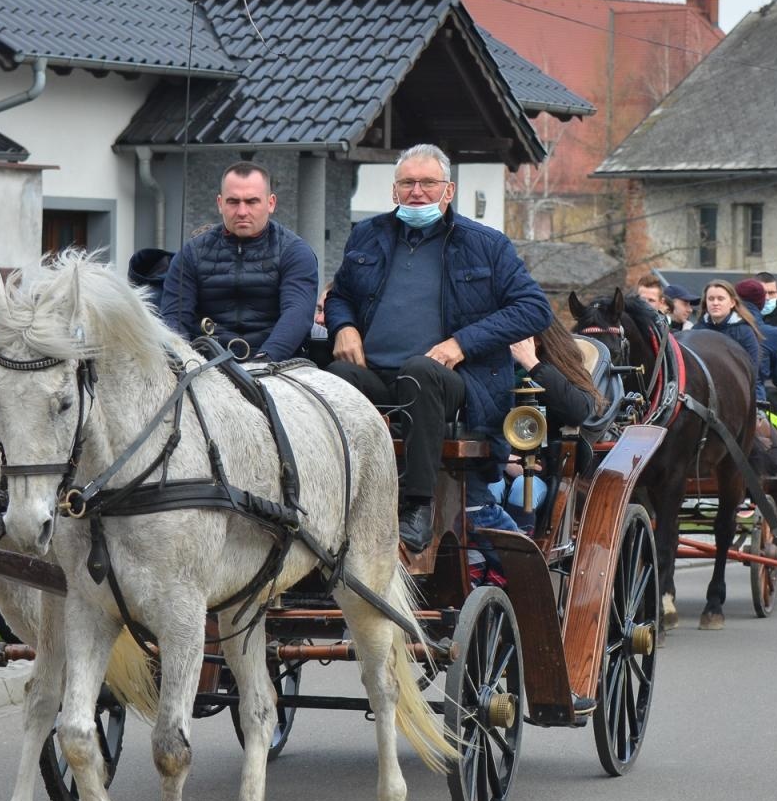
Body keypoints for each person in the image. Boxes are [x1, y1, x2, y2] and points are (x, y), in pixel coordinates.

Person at [325, 144, 551, 551]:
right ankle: (334, 496)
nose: (417, 191)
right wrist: (343, 327)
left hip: (453, 385)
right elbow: (340, 294)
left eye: (428, 183)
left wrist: (461, 344)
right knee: (335, 378)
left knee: (420, 371)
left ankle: (418, 506)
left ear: (448, 191)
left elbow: (534, 310)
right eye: (407, 183)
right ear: (394, 191)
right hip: (377, 376)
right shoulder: (367, 236)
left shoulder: (486, 244)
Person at [160, 163, 319, 361]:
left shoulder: (295, 252)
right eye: (233, 202)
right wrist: (182, 361)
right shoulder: (191, 254)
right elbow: (174, 319)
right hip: (204, 364)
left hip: (278, 366)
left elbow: (297, 315)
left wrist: (264, 360)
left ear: (271, 203)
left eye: (252, 201)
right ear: (220, 203)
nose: (242, 211)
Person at [498, 319, 606, 532]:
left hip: (542, 470)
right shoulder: (494, 370)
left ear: (536, 340)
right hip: (491, 462)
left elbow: (578, 410)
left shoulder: (557, 369)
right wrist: (500, 458)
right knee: (487, 487)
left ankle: (519, 557)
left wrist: (532, 363)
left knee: (522, 489)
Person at [695, 280, 763, 403]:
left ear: (732, 302)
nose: (715, 303)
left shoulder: (744, 332)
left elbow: (752, 369)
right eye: (711, 299)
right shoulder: (696, 330)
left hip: (738, 394)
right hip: (703, 394)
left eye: (720, 299)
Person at [736, 278, 777, 415]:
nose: (768, 298)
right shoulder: (771, 333)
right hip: (757, 400)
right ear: (761, 301)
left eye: (772, 293)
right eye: (765, 294)